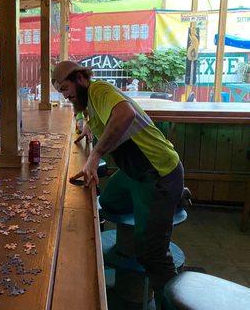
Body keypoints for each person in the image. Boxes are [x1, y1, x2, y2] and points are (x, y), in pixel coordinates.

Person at [52, 60, 184, 304]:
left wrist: (95, 154)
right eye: (61, 91)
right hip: (133, 173)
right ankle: (174, 196)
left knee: (152, 254)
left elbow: (125, 113)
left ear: (80, 78)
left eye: (65, 88)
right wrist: (90, 129)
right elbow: (98, 118)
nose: (66, 95)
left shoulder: (99, 90)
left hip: (157, 173)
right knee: (108, 201)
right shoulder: (89, 102)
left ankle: (169, 304)